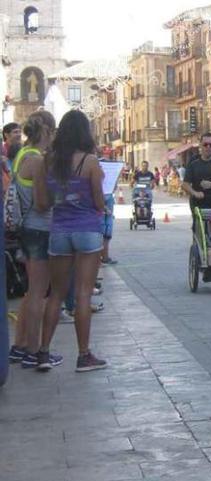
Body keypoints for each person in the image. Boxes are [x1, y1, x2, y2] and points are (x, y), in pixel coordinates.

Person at [34, 110, 107, 372]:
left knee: (56, 293)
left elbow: (42, 203)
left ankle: (43, 352)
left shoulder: (48, 161)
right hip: (87, 230)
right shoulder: (90, 162)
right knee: (83, 293)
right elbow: (99, 202)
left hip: (59, 231)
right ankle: (84, 355)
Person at [6, 111, 63, 369]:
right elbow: (42, 203)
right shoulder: (38, 160)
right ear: (48, 131)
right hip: (40, 229)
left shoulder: (20, 155)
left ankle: (19, 346)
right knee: (40, 293)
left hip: (26, 229)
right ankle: (33, 349)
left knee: (31, 293)